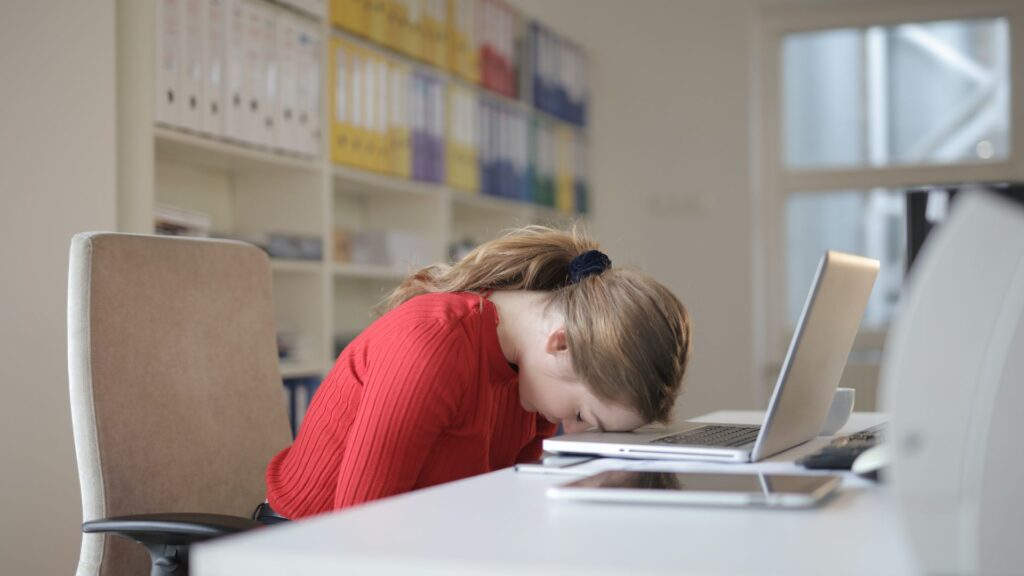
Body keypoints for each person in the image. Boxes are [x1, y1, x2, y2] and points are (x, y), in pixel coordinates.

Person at [262, 225, 692, 519]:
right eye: (583, 417)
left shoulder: (533, 378)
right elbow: (360, 532)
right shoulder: (434, 343)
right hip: (304, 546)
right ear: (560, 344)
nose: (573, 433)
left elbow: (504, 507)